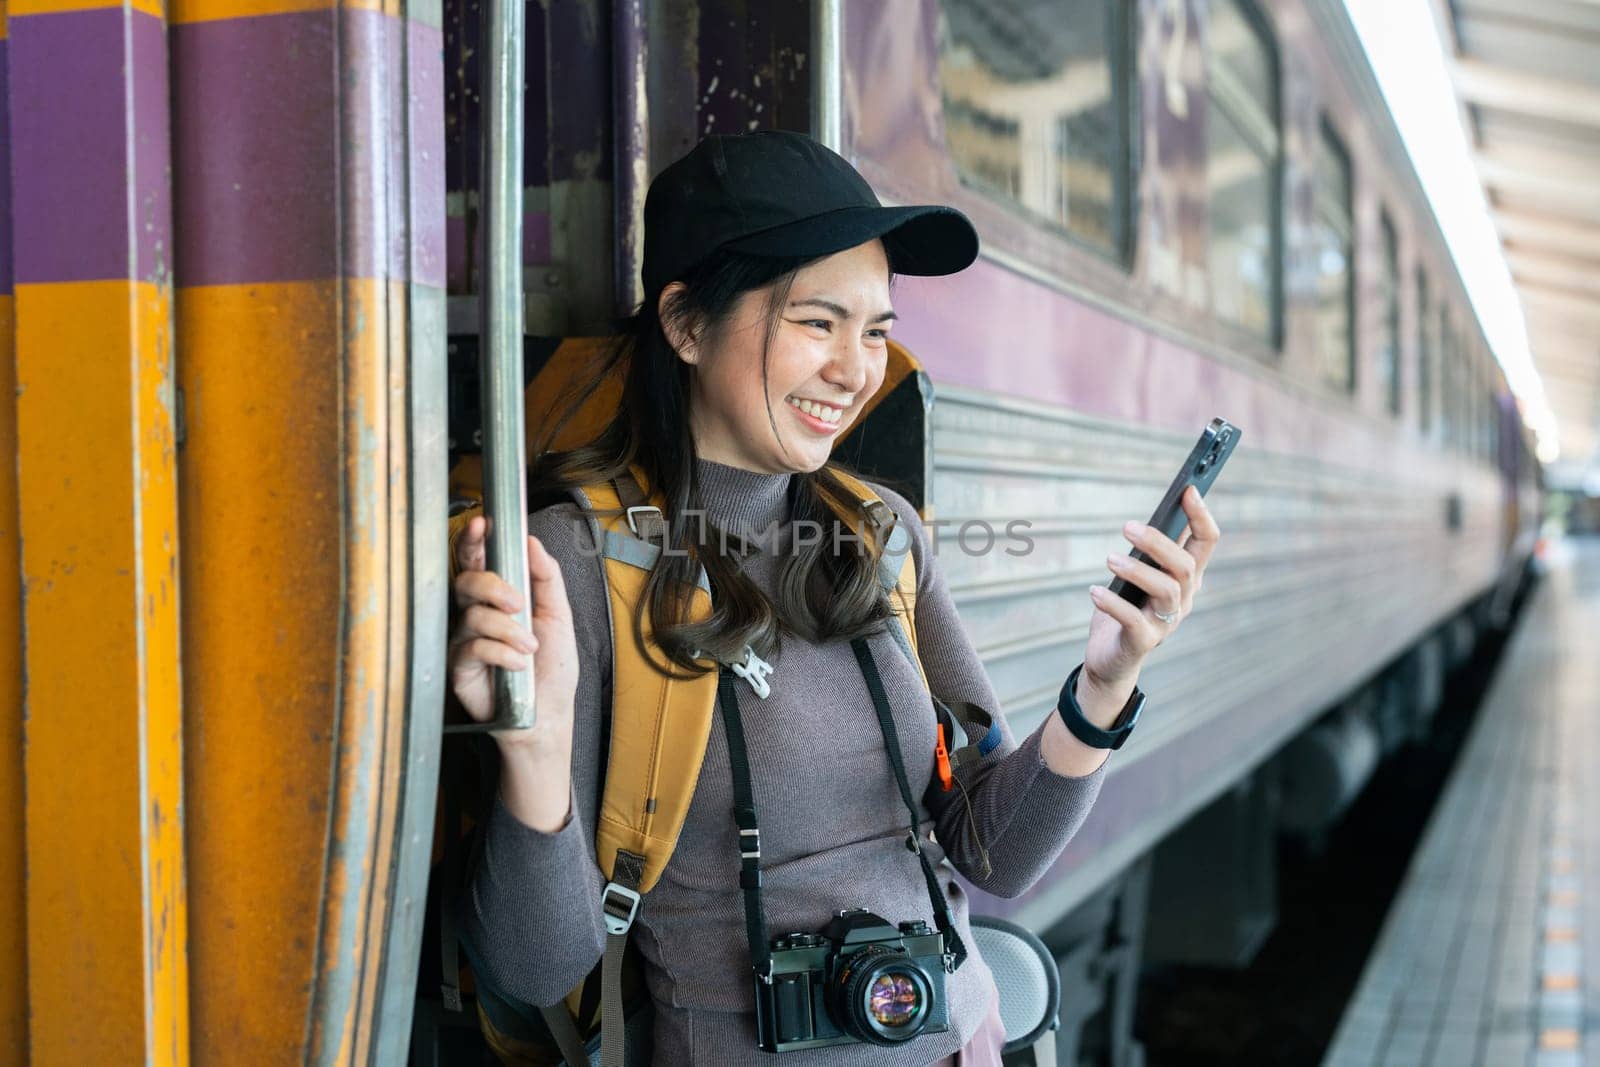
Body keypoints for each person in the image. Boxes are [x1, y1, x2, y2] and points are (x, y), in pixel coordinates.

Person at [447, 130, 1221, 1065]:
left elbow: (994, 853)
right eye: (818, 323)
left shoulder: (881, 532)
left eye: (876, 330)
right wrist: (531, 751)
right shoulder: (580, 560)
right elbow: (534, 967)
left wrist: (1105, 683)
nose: (857, 370)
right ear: (687, 324)